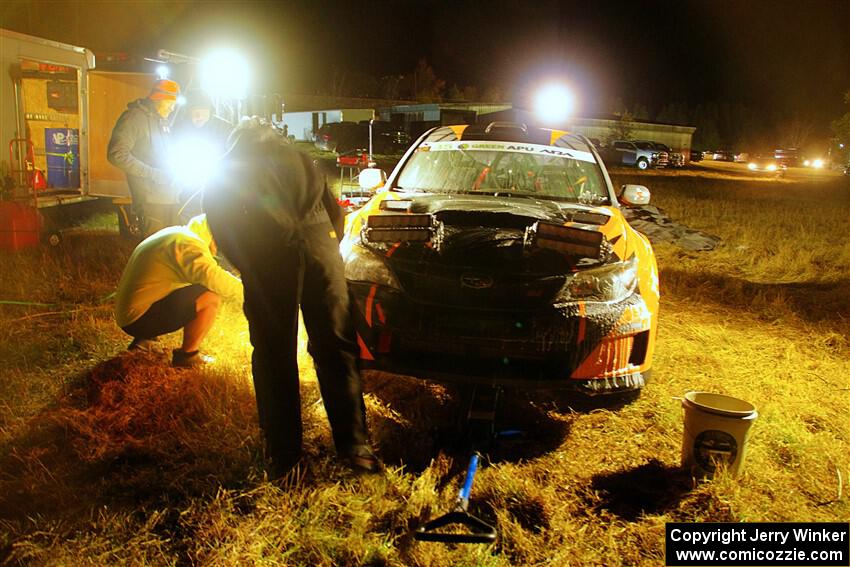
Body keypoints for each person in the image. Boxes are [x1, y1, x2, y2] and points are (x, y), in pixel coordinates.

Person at [204, 118, 378, 475]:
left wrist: (246, 266)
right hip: (320, 253)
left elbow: (221, 226)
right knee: (336, 348)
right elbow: (336, 213)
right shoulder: (300, 157)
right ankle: (356, 448)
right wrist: (322, 249)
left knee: (273, 353)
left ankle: (284, 456)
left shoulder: (227, 167)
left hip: (270, 256)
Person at [114, 213, 243, 368]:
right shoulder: (188, 245)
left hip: (129, 312)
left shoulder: (177, 234)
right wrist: (254, 294)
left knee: (190, 288)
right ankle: (187, 357)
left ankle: (145, 341)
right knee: (209, 296)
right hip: (136, 318)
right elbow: (215, 278)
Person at [108, 78, 181, 237]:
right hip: (150, 200)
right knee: (154, 252)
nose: (172, 108)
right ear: (159, 99)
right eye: (170, 103)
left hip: (170, 196)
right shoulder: (134, 118)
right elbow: (116, 154)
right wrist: (154, 174)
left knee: (171, 249)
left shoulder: (161, 121)